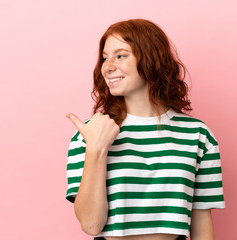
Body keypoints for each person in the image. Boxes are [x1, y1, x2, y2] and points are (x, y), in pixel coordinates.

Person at [65, 18, 225, 240]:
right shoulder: (89, 133)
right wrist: (96, 149)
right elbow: (91, 225)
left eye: (120, 55)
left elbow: (201, 219)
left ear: (151, 58)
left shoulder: (197, 134)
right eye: (104, 58)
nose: (108, 66)